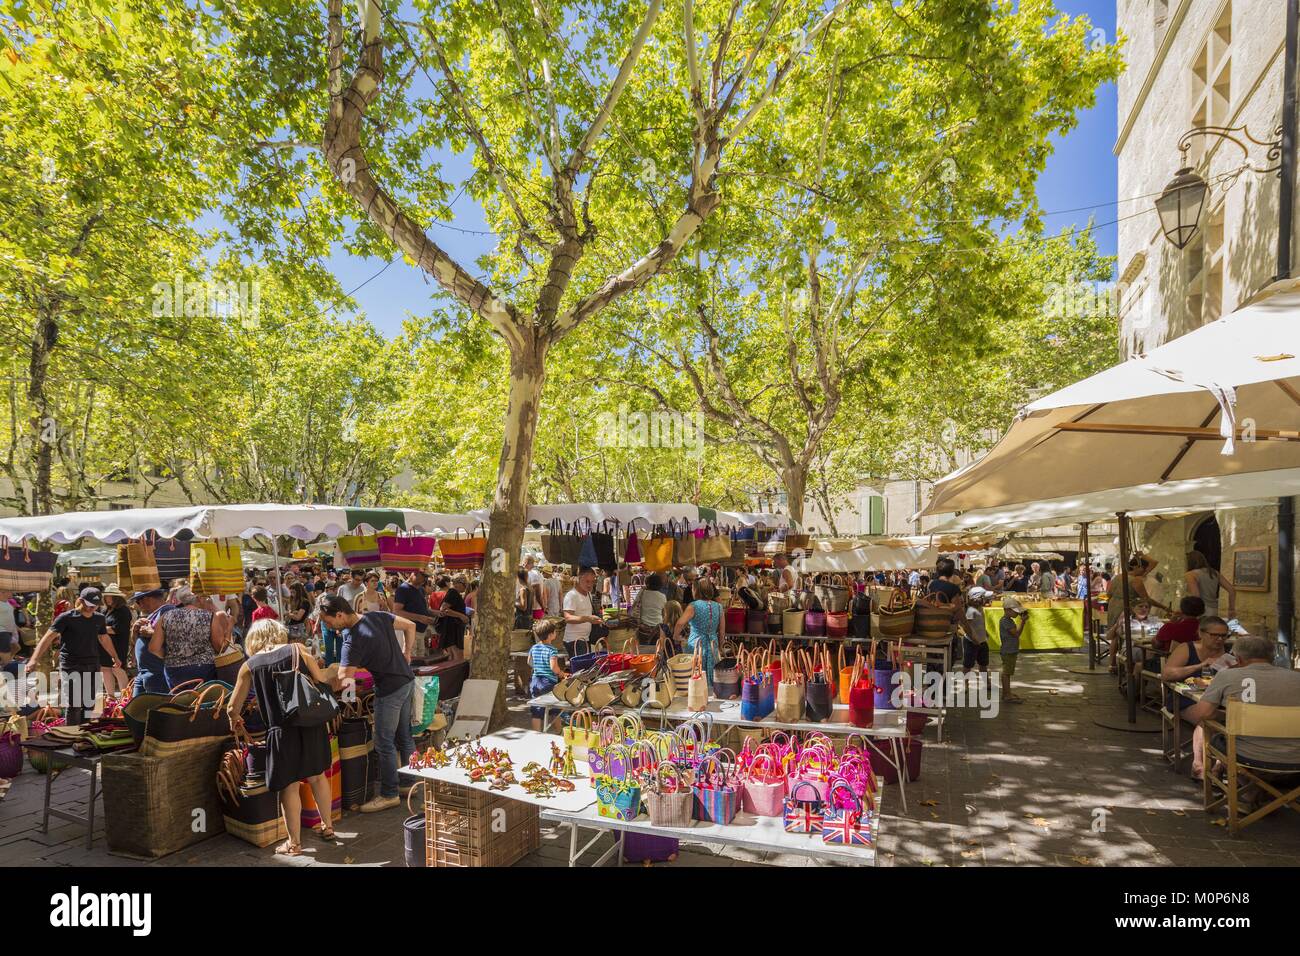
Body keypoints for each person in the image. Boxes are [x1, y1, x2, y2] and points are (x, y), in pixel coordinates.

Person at [226, 618, 339, 856]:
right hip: (310, 724)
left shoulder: (250, 665)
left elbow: (232, 708)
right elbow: (320, 679)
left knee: (289, 787)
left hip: (280, 732)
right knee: (317, 777)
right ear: (279, 633)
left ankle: (294, 843)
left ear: (253, 639)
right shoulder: (298, 649)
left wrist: (236, 720)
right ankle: (327, 826)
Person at [317, 594, 418, 811]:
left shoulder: (352, 641)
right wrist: (406, 652)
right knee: (404, 737)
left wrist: (320, 676)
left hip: (390, 690)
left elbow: (345, 679)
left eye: (328, 621)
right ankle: (411, 784)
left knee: (383, 742)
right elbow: (410, 626)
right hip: (407, 680)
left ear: (340, 614)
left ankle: (390, 793)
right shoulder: (377, 616)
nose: (329, 626)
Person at [1183, 633, 1300, 784]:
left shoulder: (1228, 676)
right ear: (1272, 657)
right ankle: (1257, 789)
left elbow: (1202, 714)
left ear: (1238, 659)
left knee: (1208, 725)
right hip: (1296, 756)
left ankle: (1242, 784)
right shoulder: (1296, 678)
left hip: (1248, 755)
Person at [1161, 616, 1232, 778]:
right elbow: (1166, 674)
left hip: (1219, 702)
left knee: (1229, 718)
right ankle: (1199, 765)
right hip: (1184, 699)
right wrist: (1199, 665)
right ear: (1201, 633)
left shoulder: (1229, 653)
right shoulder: (1187, 648)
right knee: (1209, 719)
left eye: (1224, 635)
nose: (1220, 639)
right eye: (1215, 635)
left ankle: (1218, 766)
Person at [31, 587, 109, 725]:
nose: (92, 608)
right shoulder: (66, 617)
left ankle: (85, 733)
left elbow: (104, 638)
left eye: (95, 605)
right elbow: (47, 638)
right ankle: (71, 736)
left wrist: (115, 656)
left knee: (89, 704)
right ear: (81, 601)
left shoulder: (99, 618)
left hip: (92, 664)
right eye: (90, 604)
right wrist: (33, 659)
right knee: (74, 704)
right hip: (71, 665)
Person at [147, 586, 231, 688]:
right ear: (199, 598)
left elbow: (153, 648)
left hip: (174, 672)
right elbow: (220, 647)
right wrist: (230, 626)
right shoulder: (209, 616)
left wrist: (169, 657)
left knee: (179, 702)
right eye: (205, 597)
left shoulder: (166, 616)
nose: (207, 600)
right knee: (203, 701)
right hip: (204, 670)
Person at [672, 578, 724, 690]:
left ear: (696, 590)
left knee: (695, 678)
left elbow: (680, 623)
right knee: (712, 678)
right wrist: (720, 646)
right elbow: (721, 631)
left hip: (696, 645)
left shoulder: (693, 606)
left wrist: (676, 637)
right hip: (712, 645)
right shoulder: (719, 607)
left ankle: (697, 698)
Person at [128, 587, 173, 695]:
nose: (138, 605)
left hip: (158, 673)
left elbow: (175, 638)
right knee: (135, 709)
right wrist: (134, 631)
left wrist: (151, 633)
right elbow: (136, 643)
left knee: (155, 708)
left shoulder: (168, 611)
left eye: (139, 601)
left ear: (147, 599)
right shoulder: (154, 614)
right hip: (144, 672)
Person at [527, 619, 567, 730]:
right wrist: (561, 673)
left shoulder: (534, 648)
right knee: (555, 709)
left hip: (535, 681)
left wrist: (538, 667)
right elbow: (553, 667)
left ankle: (537, 734)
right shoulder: (552, 650)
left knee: (537, 710)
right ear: (550, 635)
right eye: (554, 632)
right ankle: (558, 732)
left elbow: (529, 662)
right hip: (548, 682)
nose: (556, 634)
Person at [392, 569, 438, 654]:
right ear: (413, 574)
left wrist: (437, 613)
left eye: (426, 577)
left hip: (421, 632)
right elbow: (397, 611)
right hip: (409, 631)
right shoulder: (403, 589)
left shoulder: (421, 590)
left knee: (420, 660)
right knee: (412, 661)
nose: (425, 579)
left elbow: (424, 609)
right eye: (423, 576)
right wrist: (420, 618)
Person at [99, 584, 132, 698]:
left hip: (118, 644)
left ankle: (125, 696)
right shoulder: (104, 610)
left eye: (110, 596)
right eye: (106, 596)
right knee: (105, 669)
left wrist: (99, 629)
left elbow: (117, 629)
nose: (108, 598)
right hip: (104, 644)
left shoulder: (123, 611)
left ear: (117, 598)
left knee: (117, 669)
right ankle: (110, 696)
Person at [562, 568, 603, 658]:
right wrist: (588, 618)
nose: (590, 585)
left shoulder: (588, 595)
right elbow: (568, 618)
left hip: (585, 639)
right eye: (587, 581)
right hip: (574, 640)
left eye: (592, 582)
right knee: (581, 670)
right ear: (579, 579)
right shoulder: (572, 595)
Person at [1185, 550, 1235, 620]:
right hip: (1214, 609)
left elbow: (1195, 596)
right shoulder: (1214, 573)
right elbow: (1231, 589)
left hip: (1200, 611)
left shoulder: (1191, 574)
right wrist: (1231, 609)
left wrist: (1185, 612)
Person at [998, 595, 1027, 704]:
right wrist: (1023, 622)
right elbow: (1017, 634)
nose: (1017, 613)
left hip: (1010, 650)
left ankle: (1007, 692)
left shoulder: (1007, 620)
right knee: (1007, 673)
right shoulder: (1007, 621)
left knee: (1008, 672)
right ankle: (1006, 694)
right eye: (1015, 611)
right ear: (1007, 610)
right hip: (1008, 650)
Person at [631, 573, 668, 646]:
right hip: (658, 627)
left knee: (644, 649)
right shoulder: (663, 596)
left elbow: (634, 605)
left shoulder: (642, 593)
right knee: (656, 648)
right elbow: (664, 612)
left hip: (643, 627)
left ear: (648, 583)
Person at [962, 586, 991, 676]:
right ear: (976, 599)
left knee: (983, 664)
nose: (986, 600)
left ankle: (986, 682)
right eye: (984, 598)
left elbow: (980, 623)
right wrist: (973, 638)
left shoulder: (980, 609)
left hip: (982, 640)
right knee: (968, 665)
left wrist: (984, 632)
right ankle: (965, 683)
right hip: (972, 642)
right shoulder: (971, 611)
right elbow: (967, 626)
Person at [438, 575, 470, 658]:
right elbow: (443, 609)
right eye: (465, 584)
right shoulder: (453, 592)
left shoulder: (453, 593)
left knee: (453, 655)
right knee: (457, 655)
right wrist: (461, 616)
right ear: (459, 584)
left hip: (452, 628)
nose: (465, 587)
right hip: (453, 629)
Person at [524, 556, 546, 622]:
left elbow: (538, 593)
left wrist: (543, 606)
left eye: (524, 562)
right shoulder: (533, 574)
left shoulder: (533, 574)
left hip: (533, 607)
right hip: (534, 607)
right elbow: (538, 594)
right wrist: (543, 606)